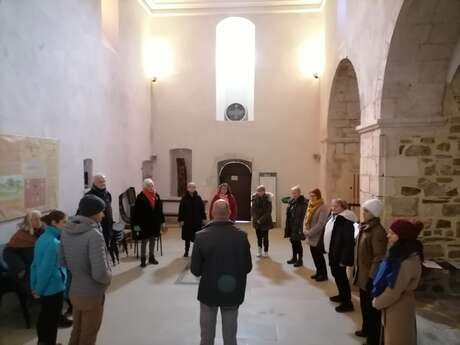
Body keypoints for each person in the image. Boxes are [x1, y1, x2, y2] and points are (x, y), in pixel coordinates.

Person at [191, 199, 252, 345]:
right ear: (229, 213)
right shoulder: (241, 236)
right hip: (232, 291)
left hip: (209, 291)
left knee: (206, 336)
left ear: (211, 212)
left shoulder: (200, 236)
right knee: (230, 336)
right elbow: (247, 267)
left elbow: (195, 270)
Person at [60, 195, 112, 345]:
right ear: (93, 213)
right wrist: (109, 278)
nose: (103, 215)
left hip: (75, 291)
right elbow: (100, 273)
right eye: (101, 211)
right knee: (88, 335)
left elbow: (62, 261)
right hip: (92, 293)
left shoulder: (66, 230)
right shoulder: (94, 235)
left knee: (77, 331)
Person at [372, 220, 424, 345]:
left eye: (392, 233)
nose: (387, 235)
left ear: (402, 237)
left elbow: (394, 291)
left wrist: (377, 302)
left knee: (397, 338)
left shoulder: (406, 262)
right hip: (399, 304)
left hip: (399, 307)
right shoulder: (402, 255)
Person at [31, 210, 69, 345]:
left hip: (45, 288)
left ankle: (42, 342)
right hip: (53, 288)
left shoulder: (42, 238)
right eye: (64, 222)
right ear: (54, 223)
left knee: (45, 317)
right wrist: (38, 290)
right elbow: (45, 270)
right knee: (52, 321)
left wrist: (34, 287)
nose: (66, 224)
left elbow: (34, 265)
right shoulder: (54, 243)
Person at [353, 198, 387, 345]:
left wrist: (371, 277)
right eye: (364, 210)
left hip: (369, 276)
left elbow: (379, 257)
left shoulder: (377, 231)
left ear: (374, 213)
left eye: (366, 210)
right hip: (362, 273)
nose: (363, 212)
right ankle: (366, 329)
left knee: (372, 310)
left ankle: (373, 339)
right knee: (365, 306)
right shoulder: (365, 226)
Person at [324, 199, 357, 312]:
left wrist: (344, 259)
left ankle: (347, 303)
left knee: (341, 278)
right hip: (333, 252)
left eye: (336, 206)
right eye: (333, 206)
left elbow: (348, 242)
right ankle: (341, 296)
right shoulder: (335, 217)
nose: (333, 208)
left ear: (343, 207)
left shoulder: (346, 220)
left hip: (339, 254)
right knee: (336, 275)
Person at [3, 210, 44, 291]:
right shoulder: (21, 234)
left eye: (40, 218)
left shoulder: (44, 230)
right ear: (29, 221)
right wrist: (21, 268)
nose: (39, 221)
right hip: (27, 265)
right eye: (35, 219)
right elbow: (8, 252)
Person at [84, 173, 118, 265]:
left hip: (108, 228)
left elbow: (108, 210)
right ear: (94, 183)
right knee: (97, 253)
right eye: (100, 181)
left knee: (105, 249)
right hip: (95, 229)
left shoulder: (107, 194)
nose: (103, 183)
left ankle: (104, 268)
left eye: (104, 181)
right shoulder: (89, 196)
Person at [132, 178, 166, 267]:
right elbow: (136, 214)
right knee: (144, 241)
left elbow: (160, 210)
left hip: (155, 223)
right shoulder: (140, 197)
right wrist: (136, 227)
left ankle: (151, 257)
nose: (151, 187)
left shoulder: (156, 196)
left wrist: (163, 222)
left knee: (152, 241)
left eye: (152, 185)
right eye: (149, 186)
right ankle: (143, 259)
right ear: (145, 186)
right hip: (144, 224)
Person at [303, 188, 329, 278]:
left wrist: (309, 232)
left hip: (318, 235)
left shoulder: (323, 207)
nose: (311, 197)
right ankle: (318, 272)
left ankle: (323, 274)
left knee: (319, 256)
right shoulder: (310, 205)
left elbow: (321, 223)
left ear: (318, 196)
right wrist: (305, 229)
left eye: (313, 196)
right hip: (310, 234)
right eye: (310, 196)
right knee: (314, 256)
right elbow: (306, 218)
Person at [178, 182, 207, 257]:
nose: (192, 188)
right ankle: (186, 251)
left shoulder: (198, 198)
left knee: (197, 237)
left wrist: (204, 218)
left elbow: (202, 209)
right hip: (187, 221)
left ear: (195, 188)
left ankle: (196, 252)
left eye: (193, 187)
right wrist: (181, 220)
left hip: (197, 220)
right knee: (187, 237)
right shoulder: (184, 198)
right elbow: (181, 210)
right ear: (187, 188)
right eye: (190, 187)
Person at [284, 186, 308, 267]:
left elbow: (303, 217)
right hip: (291, 225)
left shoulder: (303, 202)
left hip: (298, 226)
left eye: (295, 193)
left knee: (297, 243)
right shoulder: (291, 201)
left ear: (299, 193)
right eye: (293, 193)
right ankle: (294, 258)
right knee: (293, 242)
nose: (294, 194)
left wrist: (301, 228)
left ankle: (300, 259)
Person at [251, 185, 273, 258]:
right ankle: (259, 251)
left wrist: (261, 220)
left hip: (265, 221)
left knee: (266, 238)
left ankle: (266, 251)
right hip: (256, 221)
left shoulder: (268, 199)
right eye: (258, 191)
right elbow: (253, 210)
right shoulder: (254, 198)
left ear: (264, 191)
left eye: (261, 191)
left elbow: (268, 211)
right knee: (259, 237)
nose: (259, 192)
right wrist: (256, 219)